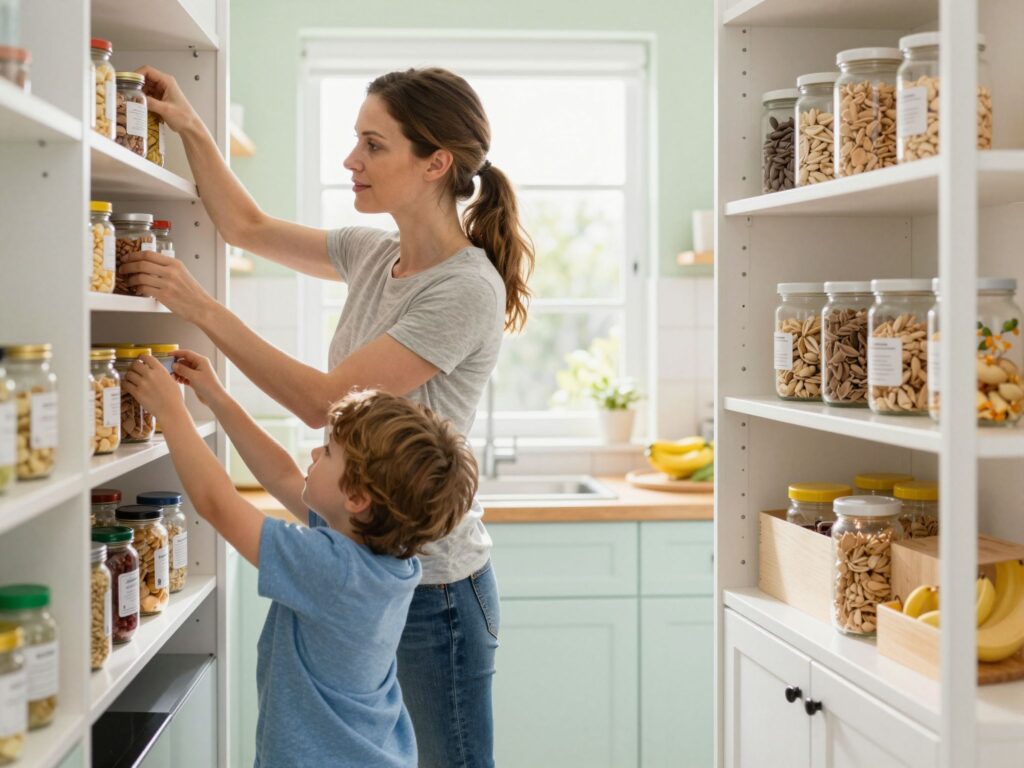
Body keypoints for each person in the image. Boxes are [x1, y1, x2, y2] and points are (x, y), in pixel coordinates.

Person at [120, 65, 533, 766]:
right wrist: (189, 123)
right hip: (359, 556)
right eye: (354, 141)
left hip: (434, 592)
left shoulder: (465, 288)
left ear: (435, 163)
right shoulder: (372, 252)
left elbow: (325, 403)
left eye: (373, 145)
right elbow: (243, 226)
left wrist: (201, 309)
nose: (352, 160)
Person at [122, 349, 478, 768]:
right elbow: (282, 476)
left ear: (357, 498)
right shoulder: (380, 555)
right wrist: (216, 397)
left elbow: (217, 504)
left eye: (328, 452)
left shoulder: (334, 570)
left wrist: (171, 411)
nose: (313, 454)